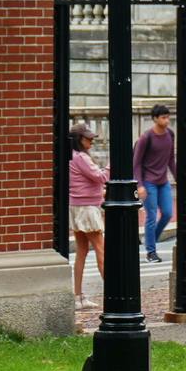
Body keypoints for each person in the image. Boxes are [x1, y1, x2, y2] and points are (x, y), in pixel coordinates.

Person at [67, 123, 109, 312]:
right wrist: (111, 165)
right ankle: (113, 294)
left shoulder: (72, 157)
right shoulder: (82, 158)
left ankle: (78, 296)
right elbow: (100, 177)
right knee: (101, 250)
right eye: (88, 138)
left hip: (77, 206)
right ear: (78, 140)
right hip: (87, 208)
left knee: (81, 252)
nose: (91, 141)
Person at [134, 105, 176, 263]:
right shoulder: (146, 137)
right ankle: (151, 252)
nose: (166, 120)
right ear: (155, 119)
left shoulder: (170, 135)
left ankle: (151, 239)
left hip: (163, 181)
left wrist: (177, 176)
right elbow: (136, 163)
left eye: (167, 116)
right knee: (151, 216)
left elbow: (171, 159)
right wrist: (140, 185)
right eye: (163, 117)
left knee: (167, 213)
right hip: (148, 182)